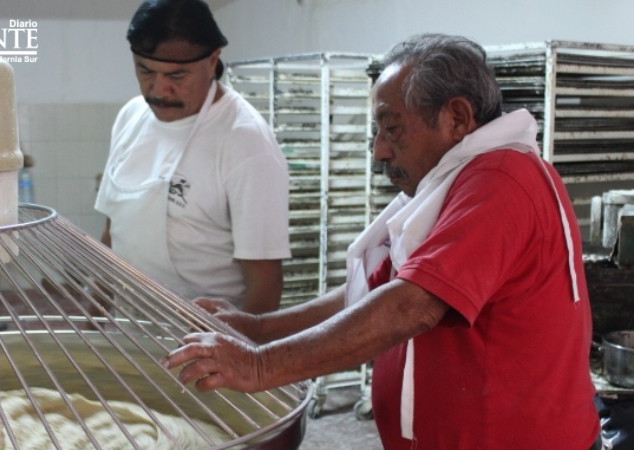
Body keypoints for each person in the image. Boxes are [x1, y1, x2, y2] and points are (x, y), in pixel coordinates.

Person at [163, 33, 600, 449]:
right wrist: (257, 329)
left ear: (458, 118)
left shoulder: (501, 181)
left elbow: (411, 306)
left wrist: (258, 366)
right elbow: (370, 293)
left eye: (392, 129)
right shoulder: (452, 185)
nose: (379, 151)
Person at [94, 0, 291, 314]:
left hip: (205, 345)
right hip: (130, 335)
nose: (159, 90)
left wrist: (244, 359)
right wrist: (93, 328)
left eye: (177, 76)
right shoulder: (130, 117)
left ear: (213, 61)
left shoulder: (245, 142)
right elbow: (110, 234)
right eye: (145, 71)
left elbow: (265, 282)